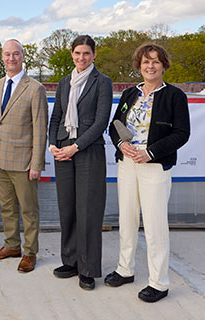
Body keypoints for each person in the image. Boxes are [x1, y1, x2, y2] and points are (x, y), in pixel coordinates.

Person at [105, 43, 190, 303]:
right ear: (138, 66)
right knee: (127, 220)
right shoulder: (131, 93)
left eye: (155, 61)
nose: (150, 66)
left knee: (154, 226)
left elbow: (181, 134)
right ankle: (125, 269)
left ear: (164, 65)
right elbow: (114, 126)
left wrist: (150, 152)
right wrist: (122, 144)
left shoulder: (174, 95)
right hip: (127, 164)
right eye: (145, 62)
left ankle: (159, 283)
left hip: (154, 166)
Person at [48, 35, 112, 290]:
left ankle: (87, 269)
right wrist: (53, 144)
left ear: (94, 55)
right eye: (77, 53)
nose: (81, 58)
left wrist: (76, 147)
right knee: (68, 208)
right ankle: (71, 261)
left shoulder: (103, 82)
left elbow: (101, 122)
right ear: (72, 54)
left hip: (87, 152)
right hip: (63, 151)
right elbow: (56, 117)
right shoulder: (65, 82)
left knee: (88, 211)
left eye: (86, 53)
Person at [0, 39, 48, 273]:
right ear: (2, 57)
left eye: (16, 54)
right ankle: (12, 246)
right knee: (7, 207)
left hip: (24, 163)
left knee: (28, 210)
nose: (11, 58)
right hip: (0, 160)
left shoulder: (35, 88)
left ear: (23, 57)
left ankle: (30, 252)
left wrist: (36, 163)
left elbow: (40, 129)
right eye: (7, 54)